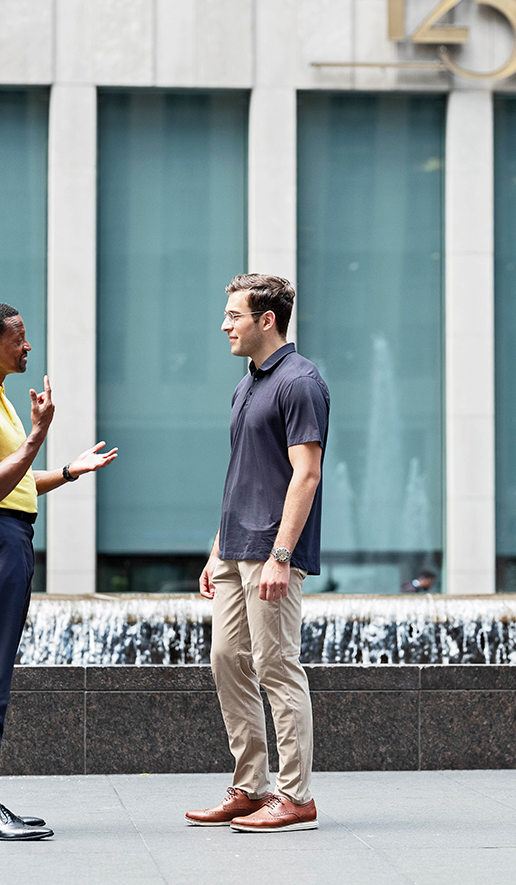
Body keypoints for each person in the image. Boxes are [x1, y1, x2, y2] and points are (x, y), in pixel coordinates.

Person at [0, 302, 116, 842]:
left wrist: (64, 471)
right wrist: (39, 434)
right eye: (18, 338)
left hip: (6, 537)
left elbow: (12, 482)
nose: (27, 346)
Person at [185, 274, 328, 834]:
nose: (225, 325)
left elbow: (306, 472)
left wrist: (282, 554)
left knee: (276, 667)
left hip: (273, 551)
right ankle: (251, 787)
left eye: (234, 316)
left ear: (266, 320)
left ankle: (296, 797)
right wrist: (217, 548)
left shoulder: (300, 381)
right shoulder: (247, 383)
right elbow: (241, 473)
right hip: (234, 549)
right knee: (227, 660)